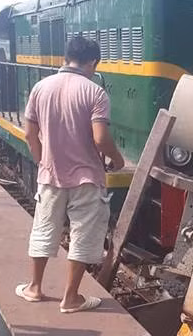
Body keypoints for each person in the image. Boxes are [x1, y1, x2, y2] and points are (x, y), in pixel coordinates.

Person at [16, 35, 124, 313]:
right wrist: (118, 159)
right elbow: (100, 138)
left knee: (43, 229)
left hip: (50, 175)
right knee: (83, 234)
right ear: (93, 62)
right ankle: (71, 298)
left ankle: (34, 288)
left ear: (66, 58)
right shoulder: (95, 92)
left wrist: (42, 161)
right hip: (87, 178)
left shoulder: (40, 88)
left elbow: (30, 134)